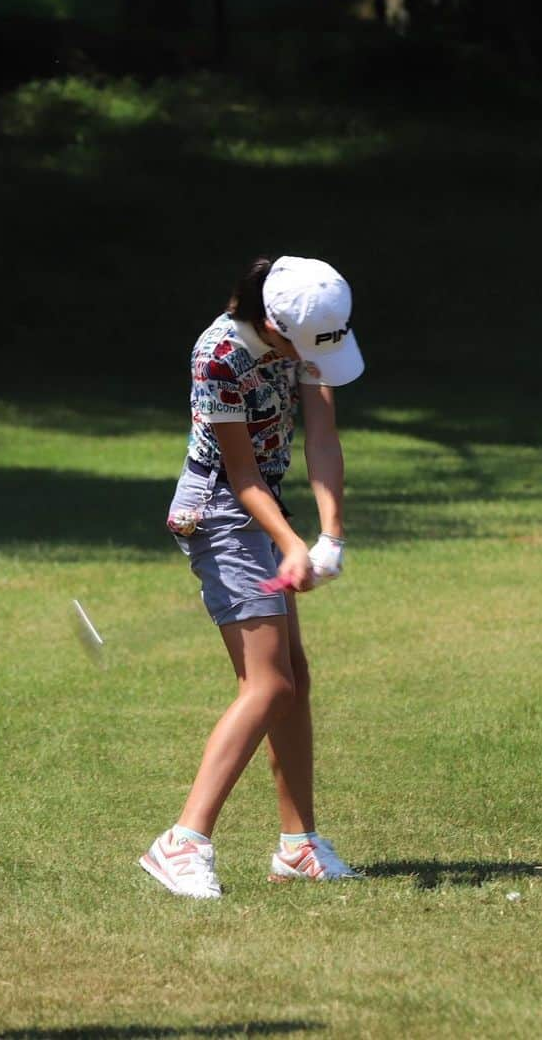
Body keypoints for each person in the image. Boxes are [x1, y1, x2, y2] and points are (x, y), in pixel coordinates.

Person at [140, 255, 365, 899]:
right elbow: (238, 475)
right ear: (272, 321)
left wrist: (331, 534)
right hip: (218, 512)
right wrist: (291, 544)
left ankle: (298, 847)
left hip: (262, 507)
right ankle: (182, 841)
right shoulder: (218, 356)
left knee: (293, 678)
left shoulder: (309, 325)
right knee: (266, 684)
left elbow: (322, 433)